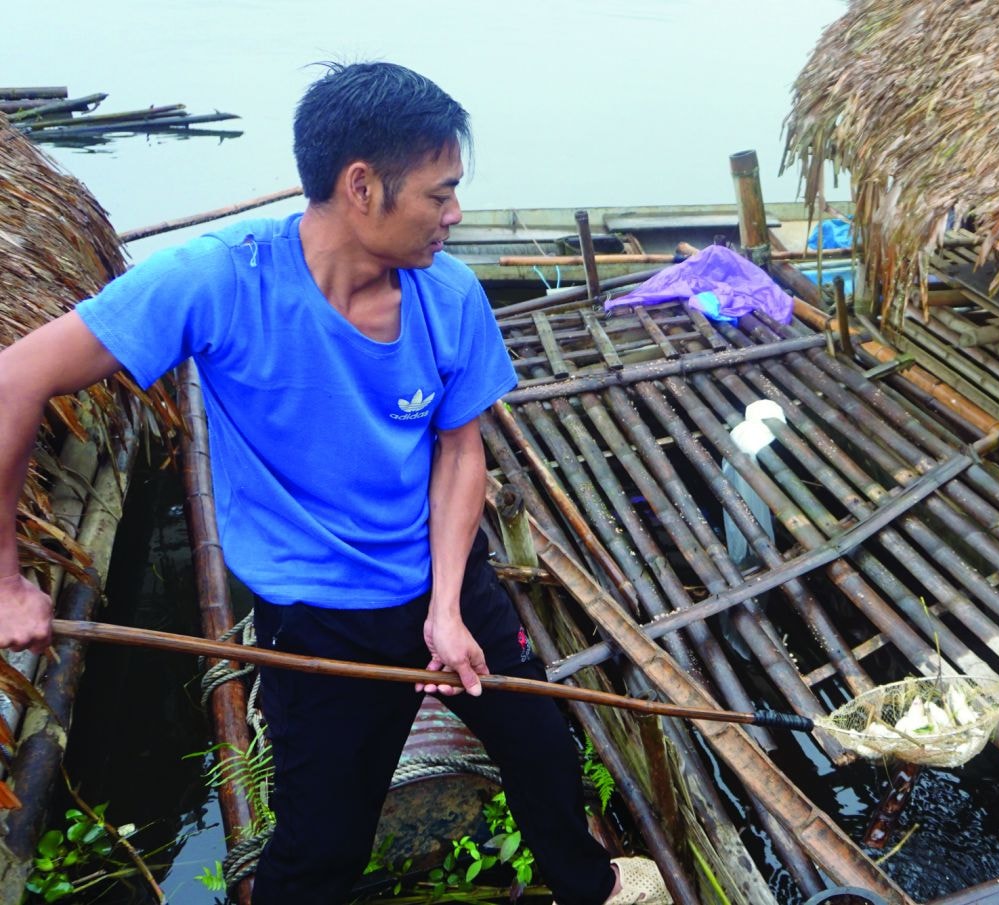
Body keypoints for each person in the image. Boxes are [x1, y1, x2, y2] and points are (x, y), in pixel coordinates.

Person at [0, 62, 669, 905]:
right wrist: (6, 579)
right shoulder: (221, 281)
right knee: (323, 845)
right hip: (316, 619)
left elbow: (461, 455)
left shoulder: (451, 295)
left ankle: (594, 886)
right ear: (361, 186)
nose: (455, 216)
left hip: (443, 578)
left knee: (540, 744)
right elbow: (13, 380)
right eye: (440, 193)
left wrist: (448, 607)